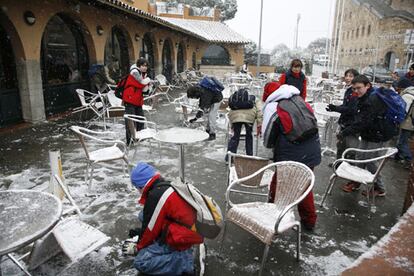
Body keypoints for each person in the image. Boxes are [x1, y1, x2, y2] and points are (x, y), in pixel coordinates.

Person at [122, 162, 203, 275]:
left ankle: (184, 261)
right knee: (143, 214)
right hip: (191, 229)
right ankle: (184, 251)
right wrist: (141, 233)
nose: (138, 191)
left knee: (141, 262)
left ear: (141, 186)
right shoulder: (165, 185)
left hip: (183, 237)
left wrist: (138, 247)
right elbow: (154, 220)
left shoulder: (155, 196)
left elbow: (150, 230)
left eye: (137, 188)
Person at [263, 84, 321, 231]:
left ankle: (273, 217)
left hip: (290, 153)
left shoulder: (273, 107)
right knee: (304, 186)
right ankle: (309, 221)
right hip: (312, 149)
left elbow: (268, 138)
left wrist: (273, 145)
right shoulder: (301, 101)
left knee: (278, 186)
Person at [337, 75, 391, 197]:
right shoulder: (365, 97)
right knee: (360, 156)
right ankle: (356, 182)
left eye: (359, 88)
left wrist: (345, 132)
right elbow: (360, 117)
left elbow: (363, 121)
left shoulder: (372, 100)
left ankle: (380, 188)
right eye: (354, 88)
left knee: (371, 162)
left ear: (368, 86)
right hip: (369, 133)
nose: (356, 91)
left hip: (379, 135)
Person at [326, 69, 360, 178]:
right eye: (347, 76)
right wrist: (336, 107)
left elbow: (351, 109)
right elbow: (346, 105)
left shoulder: (356, 92)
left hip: (352, 124)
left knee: (350, 148)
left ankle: (348, 171)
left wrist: (336, 108)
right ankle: (339, 164)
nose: (348, 78)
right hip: (344, 121)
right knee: (340, 145)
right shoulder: (349, 90)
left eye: (351, 76)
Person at [122, 58, 152, 145]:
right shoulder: (134, 72)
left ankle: (138, 138)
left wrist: (148, 85)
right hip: (130, 100)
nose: (145, 67)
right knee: (130, 122)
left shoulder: (142, 74)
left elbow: (143, 90)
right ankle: (129, 141)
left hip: (137, 101)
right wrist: (148, 80)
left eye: (146, 66)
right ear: (139, 66)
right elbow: (142, 82)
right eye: (143, 65)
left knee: (140, 120)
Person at [226, 89, 263, 159]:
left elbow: (230, 111)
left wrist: (232, 124)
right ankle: (249, 156)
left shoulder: (235, 100)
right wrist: (259, 123)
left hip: (235, 117)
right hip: (249, 117)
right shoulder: (255, 99)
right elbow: (259, 111)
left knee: (235, 136)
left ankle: (229, 157)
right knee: (249, 136)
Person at [395, 78, 414, 168]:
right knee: (402, 141)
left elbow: (403, 110)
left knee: (402, 142)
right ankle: (399, 156)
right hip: (410, 122)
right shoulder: (412, 93)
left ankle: (408, 159)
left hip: (407, 123)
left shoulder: (407, 96)